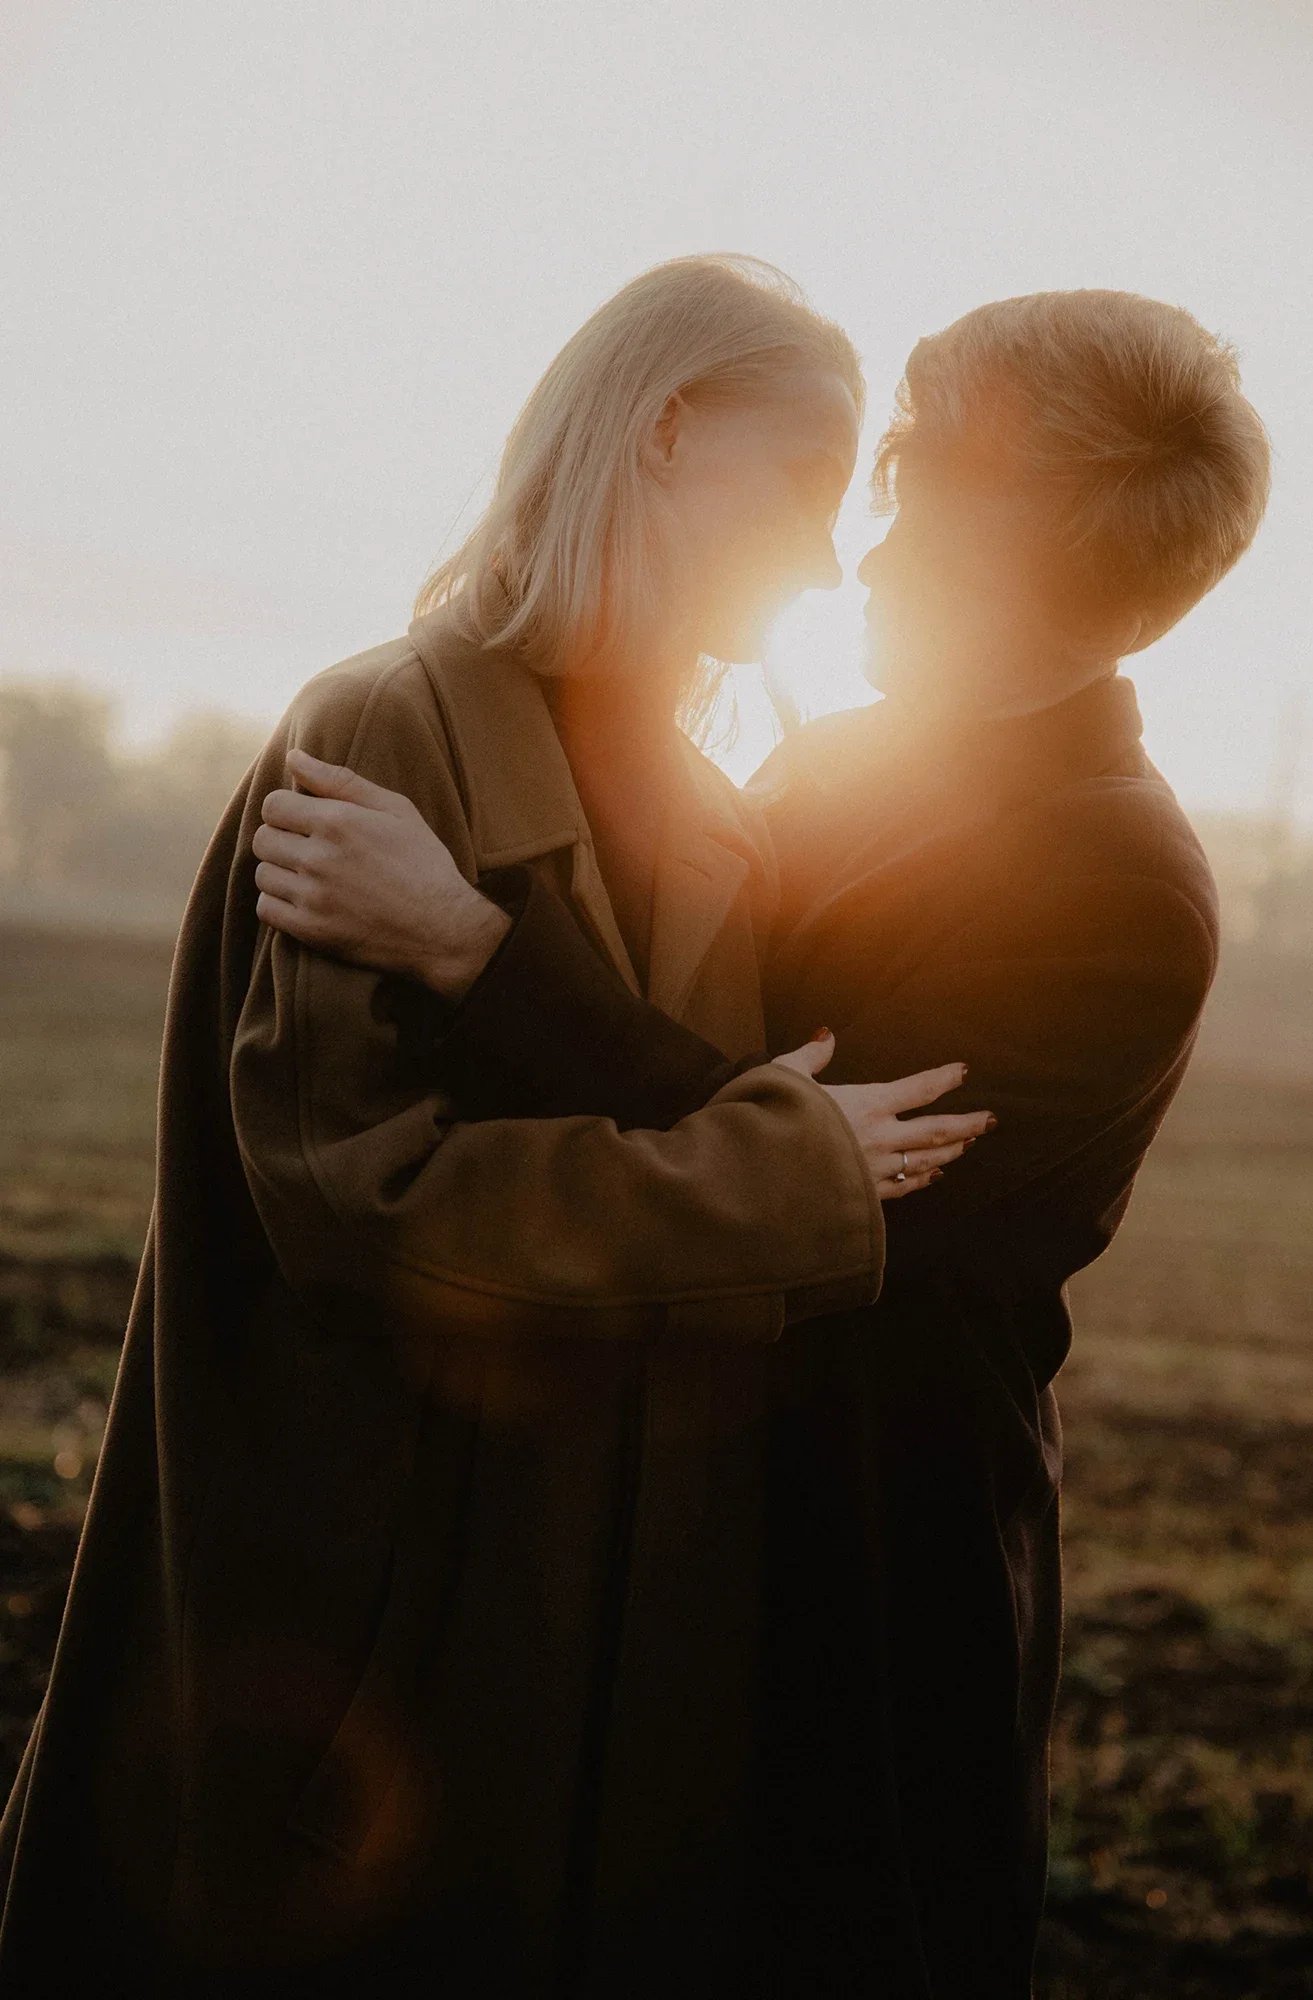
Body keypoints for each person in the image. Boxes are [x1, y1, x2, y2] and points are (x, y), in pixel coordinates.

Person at [256, 289, 1271, 1995]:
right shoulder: (843, 759)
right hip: (663, 1493)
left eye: (912, 492)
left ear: (1013, 552)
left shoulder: (1117, 886)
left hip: (867, 1558)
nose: (863, 546)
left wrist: (475, 946)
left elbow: (806, 1169)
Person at [0, 257, 992, 1997]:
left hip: (611, 1579)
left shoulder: (709, 799)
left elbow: (629, 1087)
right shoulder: (385, 724)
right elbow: (363, 1202)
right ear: (664, 432)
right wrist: (781, 1176)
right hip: (386, 1567)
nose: (827, 559)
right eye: (801, 485)